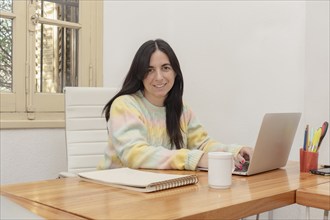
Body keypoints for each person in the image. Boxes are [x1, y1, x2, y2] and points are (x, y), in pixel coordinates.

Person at [98, 39, 253, 171]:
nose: (159, 77)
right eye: (150, 70)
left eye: (165, 68)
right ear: (139, 74)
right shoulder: (125, 105)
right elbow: (134, 155)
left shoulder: (181, 109)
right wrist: (192, 159)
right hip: (116, 193)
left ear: (175, 72)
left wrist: (234, 151)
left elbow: (202, 144)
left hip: (157, 190)